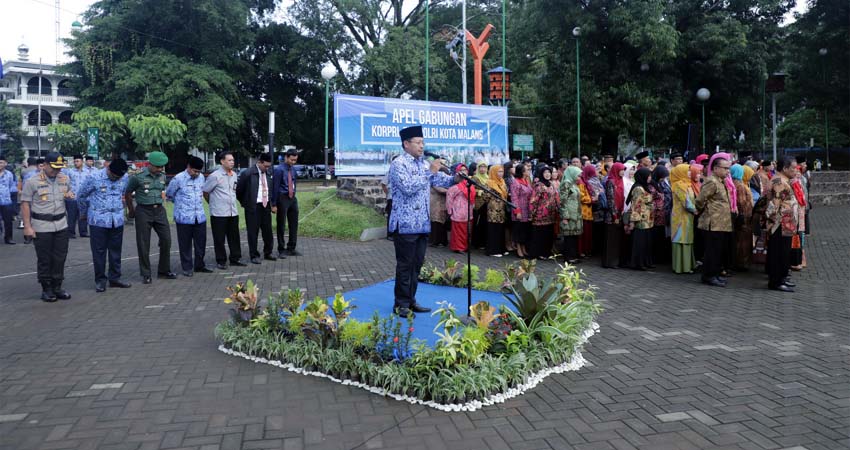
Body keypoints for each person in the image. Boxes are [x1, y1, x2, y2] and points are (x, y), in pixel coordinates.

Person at [388, 125, 452, 318]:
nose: (421, 146)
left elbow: (440, 180)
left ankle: (411, 300)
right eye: (418, 142)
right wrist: (430, 172)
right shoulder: (399, 164)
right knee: (405, 265)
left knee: (416, 265)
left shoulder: (424, 164)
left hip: (422, 224)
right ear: (406, 144)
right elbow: (407, 187)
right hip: (406, 225)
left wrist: (457, 178)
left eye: (423, 142)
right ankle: (401, 304)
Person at [20, 153, 73, 301]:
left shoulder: (65, 178)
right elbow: (25, 203)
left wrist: (69, 194)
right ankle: (47, 288)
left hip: (61, 224)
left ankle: (57, 287)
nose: (57, 171)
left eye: (59, 167)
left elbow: (67, 193)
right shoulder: (32, 181)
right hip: (42, 226)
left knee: (60, 258)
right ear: (45, 165)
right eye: (54, 168)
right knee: (45, 259)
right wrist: (27, 227)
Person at [77, 158, 132, 292]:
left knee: (115, 251)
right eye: (114, 176)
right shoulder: (94, 177)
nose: (116, 179)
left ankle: (115, 278)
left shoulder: (124, 178)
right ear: (108, 169)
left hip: (116, 220)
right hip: (98, 221)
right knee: (99, 252)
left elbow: (124, 193)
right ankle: (100, 280)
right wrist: (84, 213)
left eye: (118, 177)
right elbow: (81, 196)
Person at [125, 151, 176, 284]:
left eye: (162, 167)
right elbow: (128, 193)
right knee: (143, 243)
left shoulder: (162, 176)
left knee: (166, 240)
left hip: (159, 210)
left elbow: (162, 192)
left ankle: (164, 270)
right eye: (157, 167)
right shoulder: (138, 177)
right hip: (143, 211)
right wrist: (131, 210)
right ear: (150, 164)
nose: (160, 169)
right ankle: (146, 273)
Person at [167, 156, 213, 277]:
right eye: (194, 171)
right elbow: (169, 195)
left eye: (198, 171)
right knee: (185, 244)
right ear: (188, 167)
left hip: (199, 216)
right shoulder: (178, 178)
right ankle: (187, 268)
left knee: (201, 243)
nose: (196, 174)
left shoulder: (201, 177)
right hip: (184, 217)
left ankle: (199, 265)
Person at [695, 154, 733, 287]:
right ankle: (709, 276)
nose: (728, 171)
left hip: (721, 223)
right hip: (713, 222)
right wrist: (702, 210)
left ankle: (715, 274)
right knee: (712, 251)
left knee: (718, 251)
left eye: (729, 168)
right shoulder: (712, 181)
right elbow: (700, 199)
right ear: (716, 168)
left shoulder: (721, 181)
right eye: (725, 168)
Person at [204, 151, 245, 269]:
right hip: (219, 213)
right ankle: (221, 261)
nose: (232, 162)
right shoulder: (214, 176)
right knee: (219, 238)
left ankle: (235, 258)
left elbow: (234, 190)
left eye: (233, 160)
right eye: (229, 160)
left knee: (234, 236)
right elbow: (206, 191)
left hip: (232, 211)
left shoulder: (234, 175)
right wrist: (212, 203)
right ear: (222, 161)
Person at [765, 156, 798, 292]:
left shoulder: (784, 180)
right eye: (793, 168)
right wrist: (772, 223)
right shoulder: (779, 181)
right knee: (779, 252)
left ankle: (782, 278)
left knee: (784, 252)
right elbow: (774, 205)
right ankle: (776, 281)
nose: (795, 171)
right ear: (784, 168)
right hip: (779, 222)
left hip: (786, 221)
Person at [237, 152, 276, 264]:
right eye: (265, 166)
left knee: (268, 231)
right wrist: (245, 202)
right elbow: (239, 190)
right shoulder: (248, 173)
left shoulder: (268, 173)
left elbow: (271, 190)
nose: (267, 168)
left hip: (266, 206)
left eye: (269, 166)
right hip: (253, 207)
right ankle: (254, 255)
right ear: (259, 162)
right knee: (253, 232)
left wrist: (272, 204)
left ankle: (268, 252)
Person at [272, 148, 301, 258]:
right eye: (292, 160)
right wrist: (274, 204)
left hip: (292, 198)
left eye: (295, 160)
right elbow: (275, 187)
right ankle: (281, 249)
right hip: (282, 197)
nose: (293, 162)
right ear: (286, 157)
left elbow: (294, 183)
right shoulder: (279, 170)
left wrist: (294, 194)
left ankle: (291, 247)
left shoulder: (293, 169)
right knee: (281, 224)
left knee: (294, 223)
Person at [528, 166, 559, 260]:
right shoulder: (539, 186)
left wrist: (559, 208)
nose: (547, 174)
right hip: (540, 215)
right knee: (539, 236)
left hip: (550, 215)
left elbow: (556, 198)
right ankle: (538, 253)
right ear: (541, 174)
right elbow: (533, 201)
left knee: (548, 235)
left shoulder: (551, 184)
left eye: (549, 172)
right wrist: (532, 214)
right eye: (545, 173)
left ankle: (546, 252)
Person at [670, 164, 697, 274]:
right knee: (681, 239)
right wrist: (695, 210)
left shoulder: (687, 184)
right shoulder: (679, 185)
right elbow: (686, 203)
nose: (690, 173)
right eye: (688, 171)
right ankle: (681, 267)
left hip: (687, 216)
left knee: (687, 239)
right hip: (680, 217)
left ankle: (688, 265)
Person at [626, 167, 654, 270]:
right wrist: (633, 221)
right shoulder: (638, 188)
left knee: (646, 243)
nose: (650, 178)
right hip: (641, 220)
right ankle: (638, 263)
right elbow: (636, 205)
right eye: (649, 176)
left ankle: (646, 262)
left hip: (647, 219)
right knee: (640, 243)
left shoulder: (644, 186)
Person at [601, 162, 625, 268]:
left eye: (624, 170)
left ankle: (615, 261)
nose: (623, 172)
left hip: (620, 213)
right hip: (612, 216)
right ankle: (609, 262)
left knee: (617, 239)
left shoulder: (621, 181)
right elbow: (611, 199)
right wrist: (615, 215)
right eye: (621, 170)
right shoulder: (611, 181)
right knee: (611, 239)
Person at [446, 164, 474, 253]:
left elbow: (472, 198)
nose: (463, 171)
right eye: (461, 170)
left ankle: (465, 247)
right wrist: (450, 211)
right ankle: (458, 247)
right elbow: (449, 200)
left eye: (465, 170)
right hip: (457, 212)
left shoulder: (470, 185)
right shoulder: (454, 187)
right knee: (458, 232)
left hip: (468, 212)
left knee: (466, 231)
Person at [731, 164, 754, 271]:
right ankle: (742, 263)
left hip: (739, 218)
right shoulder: (740, 185)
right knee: (743, 241)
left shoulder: (734, 184)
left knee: (738, 240)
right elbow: (741, 202)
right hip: (744, 219)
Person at [558, 166, 583, 263]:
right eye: (578, 176)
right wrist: (565, 215)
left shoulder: (573, 184)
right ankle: (569, 257)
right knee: (569, 238)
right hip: (569, 215)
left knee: (574, 236)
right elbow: (562, 201)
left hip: (576, 214)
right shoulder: (566, 183)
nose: (579, 178)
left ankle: (574, 256)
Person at [483, 164, 508, 257]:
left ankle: (501, 249)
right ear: (493, 172)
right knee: (494, 230)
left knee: (501, 229)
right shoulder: (489, 183)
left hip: (502, 210)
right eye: (499, 171)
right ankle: (493, 250)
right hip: (493, 210)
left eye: (502, 171)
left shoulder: (502, 182)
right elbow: (485, 197)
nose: (501, 174)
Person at [649, 165, 672, 265]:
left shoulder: (662, 183)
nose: (663, 179)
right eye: (662, 176)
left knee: (661, 237)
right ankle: (655, 258)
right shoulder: (652, 185)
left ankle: (660, 257)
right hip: (655, 215)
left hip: (663, 214)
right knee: (655, 237)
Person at [509, 164, 533, 259]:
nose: (528, 171)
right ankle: (519, 248)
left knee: (525, 230)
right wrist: (517, 211)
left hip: (527, 210)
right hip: (519, 209)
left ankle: (523, 248)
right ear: (522, 172)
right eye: (527, 170)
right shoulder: (515, 182)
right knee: (519, 230)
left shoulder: (526, 181)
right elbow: (514, 198)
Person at [64, 155, 89, 238]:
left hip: (84, 198)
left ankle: (83, 232)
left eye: (77, 161)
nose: (76, 163)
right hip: (72, 198)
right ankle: (71, 233)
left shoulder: (87, 172)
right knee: (72, 216)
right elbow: (66, 184)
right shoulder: (70, 172)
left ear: (82, 161)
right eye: (75, 161)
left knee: (83, 216)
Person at [429, 161, 450, 247]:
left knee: (443, 223)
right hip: (435, 205)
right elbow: (440, 190)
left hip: (443, 204)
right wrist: (452, 191)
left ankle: (443, 241)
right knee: (436, 223)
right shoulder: (434, 181)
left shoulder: (447, 182)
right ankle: (435, 241)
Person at [576, 166, 594, 257]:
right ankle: (581, 251)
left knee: (586, 234)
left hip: (587, 211)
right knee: (583, 234)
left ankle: (585, 251)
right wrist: (591, 199)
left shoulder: (585, 182)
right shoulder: (580, 182)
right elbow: (581, 196)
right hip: (583, 211)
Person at [471, 161, 489, 249]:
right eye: (481, 167)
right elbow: (471, 189)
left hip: (487, 203)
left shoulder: (488, 178)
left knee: (484, 223)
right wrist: (479, 191)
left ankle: (483, 242)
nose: (482, 169)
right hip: (478, 204)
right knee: (477, 223)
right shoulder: (474, 178)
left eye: (484, 167)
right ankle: (476, 243)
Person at [0, 154, 16, 244]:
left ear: (5, 163)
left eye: (1, 163)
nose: (0, 164)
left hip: (6, 201)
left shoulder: (9, 174)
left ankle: (8, 238)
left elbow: (11, 187)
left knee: (8, 221)